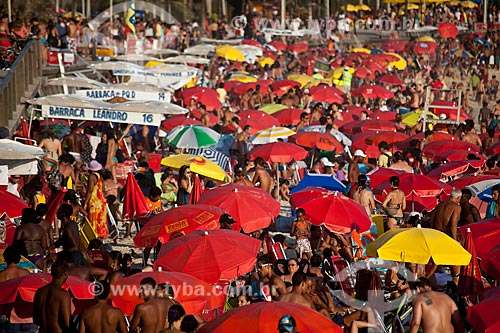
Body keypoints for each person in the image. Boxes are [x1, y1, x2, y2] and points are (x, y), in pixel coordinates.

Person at [429, 189, 462, 283]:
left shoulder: (440, 204)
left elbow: (432, 220)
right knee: (455, 262)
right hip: (447, 236)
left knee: (436, 262)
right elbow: (453, 224)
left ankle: (430, 280)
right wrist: (455, 240)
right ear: (458, 198)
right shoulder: (456, 207)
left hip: (436, 234)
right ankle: (455, 280)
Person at [33, 261, 71, 333]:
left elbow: (36, 320)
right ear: (65, 273)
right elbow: (67, 323)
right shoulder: (63, 294)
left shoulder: (39, 291)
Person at [84, 160, 108, 239]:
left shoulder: (91, 176)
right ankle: (100, 237)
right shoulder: (100, 176)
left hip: (94, 201)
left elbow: (90, 190)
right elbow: (103, 190)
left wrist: (85, 202)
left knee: (93, 219)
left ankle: (93, 237)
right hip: (101, 201)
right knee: (100, 220)